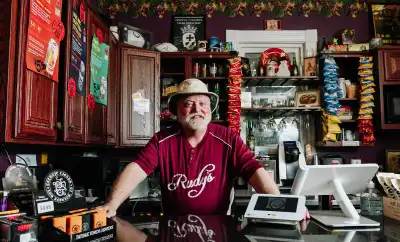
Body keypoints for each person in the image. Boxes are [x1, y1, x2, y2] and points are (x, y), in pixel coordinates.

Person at [98, 78, 309, 219]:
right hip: (173, 229)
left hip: (218, 228)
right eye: (189, 103)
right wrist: (112, 203)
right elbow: (137, 168)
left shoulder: (228, 138)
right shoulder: (162, 140)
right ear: (177, 110)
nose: (197, 109)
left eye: (202, 103)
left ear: (210, 109)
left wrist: (285, 206)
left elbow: (253, 170)